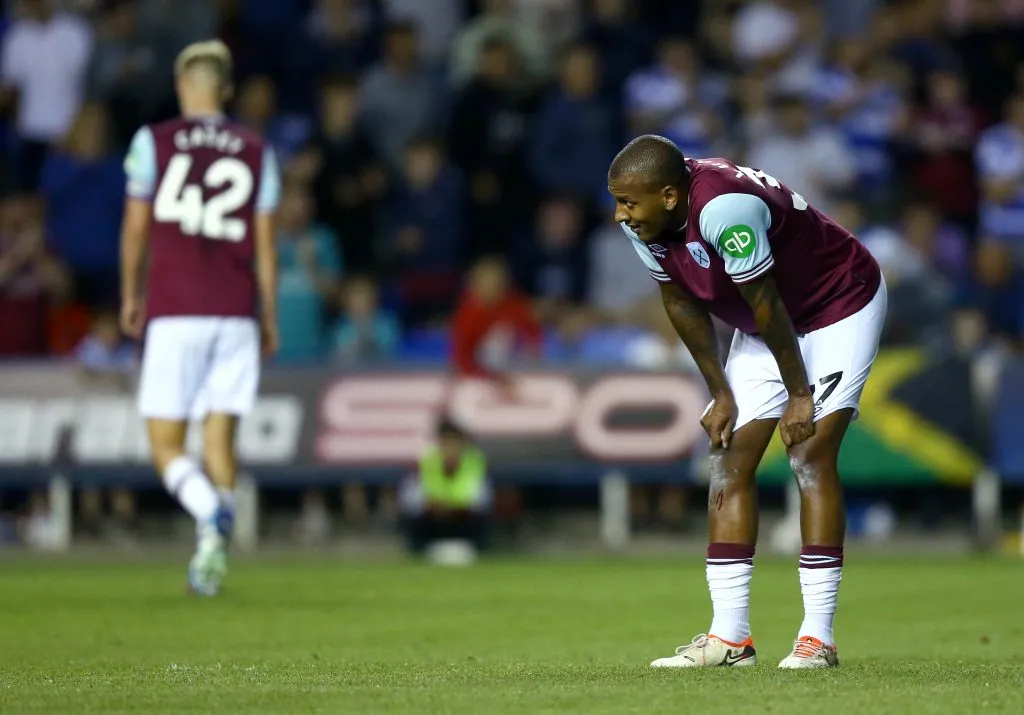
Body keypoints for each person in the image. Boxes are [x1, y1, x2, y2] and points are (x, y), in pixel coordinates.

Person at [607, 135, 885, 669]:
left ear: (669, 195)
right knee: (728, 458)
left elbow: (766, 302)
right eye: (618, 200)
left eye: (628, 202)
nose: (620, 214)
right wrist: (720, 391)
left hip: (837, 304)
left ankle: (817, 638)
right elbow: (679, 300)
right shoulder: (647, 218)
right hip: (766, 324)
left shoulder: (725, 209)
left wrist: (799, 395)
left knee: (810, 455)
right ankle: (730, 639)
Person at [119, 40, 281, 596]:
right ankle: (211, 555)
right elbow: (265, 246)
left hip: (177, 307)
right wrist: (269, 314)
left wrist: (129, 293)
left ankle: (210, 510)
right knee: (221, 439)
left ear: (182, 86)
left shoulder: (153, 143)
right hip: (235, 311)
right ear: (227, 91)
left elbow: (137, 227)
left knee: (166, 444)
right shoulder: (257, 149)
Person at [398, 419, 492, 559]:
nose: (450, 448)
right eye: (446, 442)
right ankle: (418, 550)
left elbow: (483, 498)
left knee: (480, 521)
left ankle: (479, 549)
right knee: (415, 520)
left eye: (454, 443)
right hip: (433, 517)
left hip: (463, 516)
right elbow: (410, 498)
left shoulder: (474, 461)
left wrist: (455, 506)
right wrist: (434, 505)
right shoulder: (428, 460)